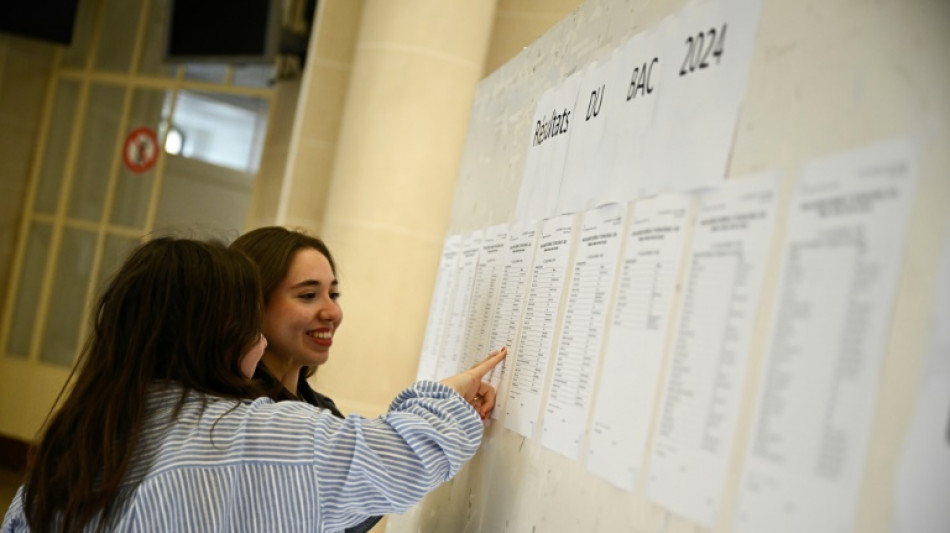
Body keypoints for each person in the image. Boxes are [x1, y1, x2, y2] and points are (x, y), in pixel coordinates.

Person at [1, 237, 506, 532]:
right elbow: (400, 456)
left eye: (333, 292)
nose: (330, 310)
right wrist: (445, 401)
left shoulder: (78, 443)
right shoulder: (254, 433)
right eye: (307, 294)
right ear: (220, 329)